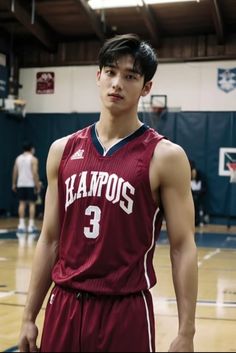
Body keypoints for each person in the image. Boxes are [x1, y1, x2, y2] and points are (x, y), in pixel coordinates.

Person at [18, 34, 198, 352]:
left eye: (130, 76)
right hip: (64, 306)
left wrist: (186, 332)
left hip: (125, 308)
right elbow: (49, 238)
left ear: (146, 88)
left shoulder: (165, 157)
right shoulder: (62, 150)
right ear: (98, 76)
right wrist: (29, 316)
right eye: (111, 72)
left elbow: (183, 247)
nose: (117, 83)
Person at [12, 142, 41, 240]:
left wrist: (14, 184)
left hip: (21, 184)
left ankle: (21, 225)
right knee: (32, 204)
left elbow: (15, 172)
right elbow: (34, 173)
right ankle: (31, 226)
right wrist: (37, 185)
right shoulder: (33, 159)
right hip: (30, 184)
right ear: (31, 149)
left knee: (22, 204)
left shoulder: (18, 159)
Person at [190, 160, 207, 227]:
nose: (193, 174)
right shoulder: (187, 178)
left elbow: (204, 189)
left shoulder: (201, 177)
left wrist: (197, 193)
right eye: (191, 172)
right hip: (191, 197)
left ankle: (198, 220)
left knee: (196, 200)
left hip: (199, 197)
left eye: (194, 172)